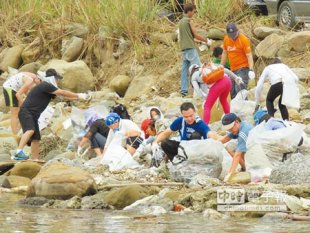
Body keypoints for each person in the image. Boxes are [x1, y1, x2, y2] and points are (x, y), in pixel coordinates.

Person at [13, 68, 90, 160]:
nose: (57, 81)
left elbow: (64, 96)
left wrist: (80, 98)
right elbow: (63, 92)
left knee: (36, 138)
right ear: (52, 78)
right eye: (57, 79)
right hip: (26, 112)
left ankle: (35, 159)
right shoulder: (45, 85)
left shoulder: (48, 88)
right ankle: (18, 152)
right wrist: (79, 95)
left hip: (33, 114)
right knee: (30, 130)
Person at [179, 3, 211, 97]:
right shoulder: (189, 21)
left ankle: (183, 92)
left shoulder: (181, 22)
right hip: (191, 49)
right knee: (197, 70)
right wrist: (206, 40)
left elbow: (189, 36)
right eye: (193, 11)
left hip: (184, 50)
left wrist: (198, 41)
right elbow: (196, 34)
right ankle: (200, 91)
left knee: (184, 71)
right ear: (189, 11)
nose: (193, 13)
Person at [221, 22, 255, 99]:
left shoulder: (244, 40)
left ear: (238, 31)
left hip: (243, 68)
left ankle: (244, 108)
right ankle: (235, 110)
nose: (232, 37)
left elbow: (249, 55)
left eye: (234, 34)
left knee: (240, 88)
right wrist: (221, 66)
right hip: (232, 69)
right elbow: (224, 53)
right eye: (231, 35)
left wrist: (251, 69)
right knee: (231, 90)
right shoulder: (226, 39)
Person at [218, 113, 253, 181]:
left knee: (234, 148)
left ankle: (247, 169)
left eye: (230, 129)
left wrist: (230, 174)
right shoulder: (241, 125)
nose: (230, 131)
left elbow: (237, 155)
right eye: (228, 130)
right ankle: (244, 168)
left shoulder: (243, 133)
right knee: (230, 146)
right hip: (252, 151)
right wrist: (212, 144)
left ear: (236, 122)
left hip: (256, 155)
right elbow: (226, 138)